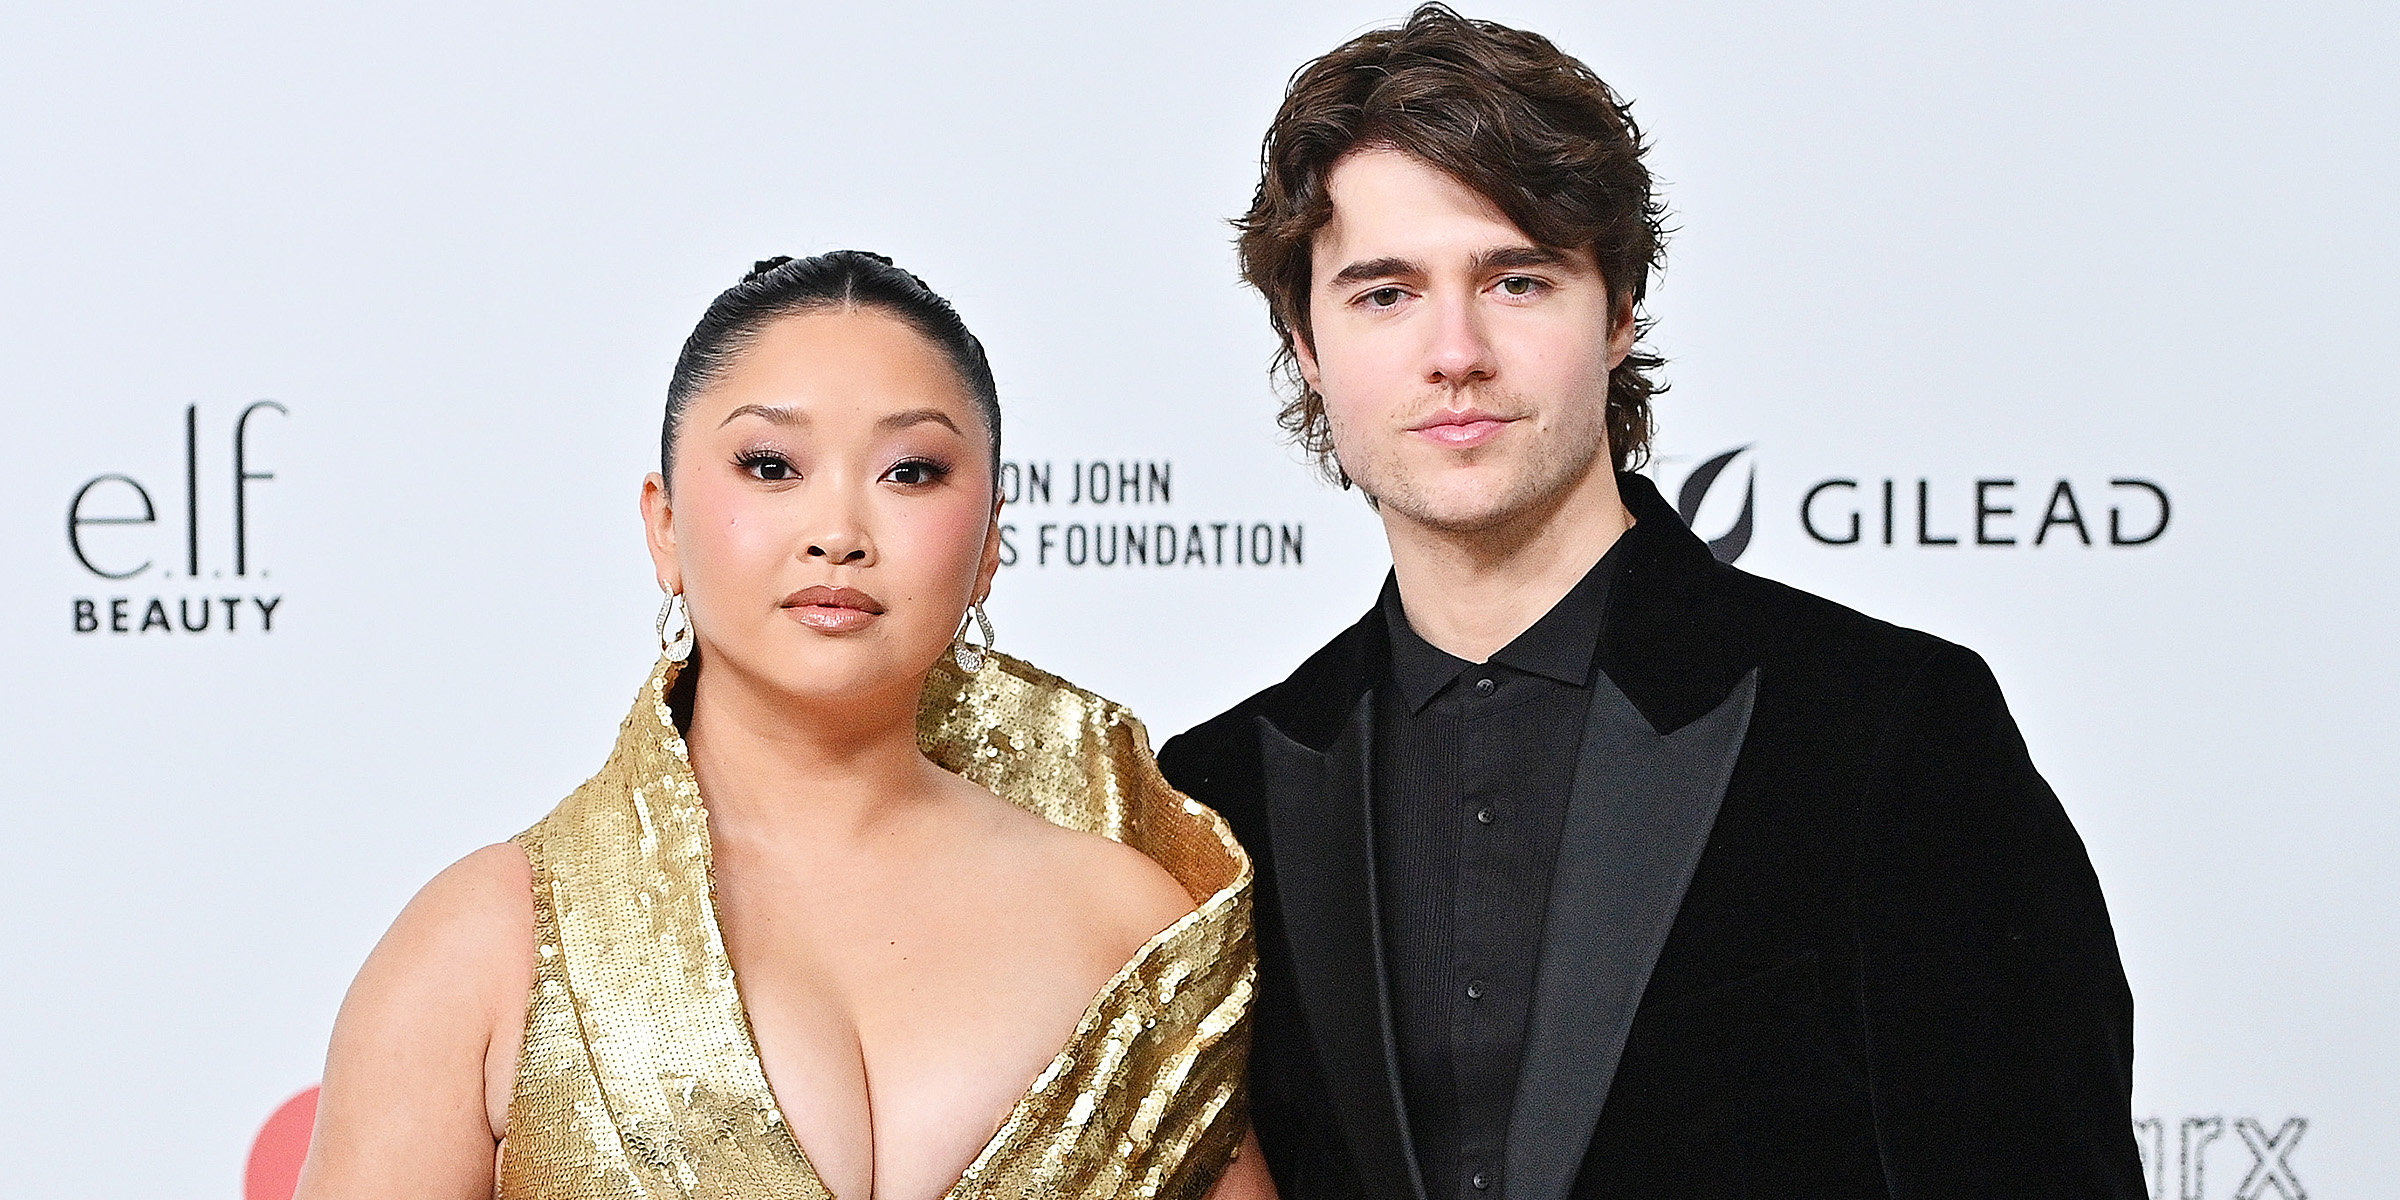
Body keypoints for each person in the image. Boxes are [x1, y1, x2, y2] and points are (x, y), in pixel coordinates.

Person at [1156, 7, 2145, 1198]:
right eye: (1385, 295)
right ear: (1306, 342)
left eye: (1517, 280)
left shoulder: (1887, 729)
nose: (1455, 350)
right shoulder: (1215, 801)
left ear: (1619, 310)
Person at [297, 251, 1276, 1200]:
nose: (838, 532)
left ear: (989, 544)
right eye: (771, 466)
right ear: (664, 525)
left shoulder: (1129, 925)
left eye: (911, 471)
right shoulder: (488, 945)